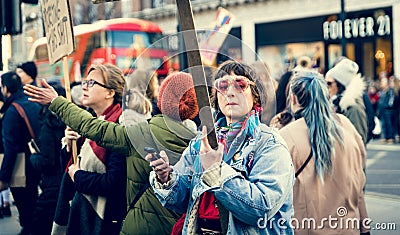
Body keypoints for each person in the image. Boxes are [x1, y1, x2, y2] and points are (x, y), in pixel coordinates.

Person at [23, 71, 200, 235]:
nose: (85, 86)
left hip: (140, 226)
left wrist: (57, 102)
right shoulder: (200, 142)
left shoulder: (140, 132)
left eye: (92, 82)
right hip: (181, 227)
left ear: (162, 100)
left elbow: (94, 129)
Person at [147, 60, 294, 234]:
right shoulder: (202, 142)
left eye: (240, 85)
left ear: (255, 95)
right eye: (222, 86)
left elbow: (261, 208)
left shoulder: (269, 144)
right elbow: (180, 200)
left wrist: (216, 171)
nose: (230, 92)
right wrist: (166, 177)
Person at [279, 71, 369, 235]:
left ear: (293, 98)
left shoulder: (286, 135)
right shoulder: (347, 126)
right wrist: (365, 227)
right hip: (349, 228)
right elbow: (360, 182)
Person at [50, 64, 127, 235]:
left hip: (105, 220)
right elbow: (68, 169)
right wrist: (71, 146)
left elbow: (114, 182)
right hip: (81, 210)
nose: (84, 86)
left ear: (110, 92)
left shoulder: (119, 126)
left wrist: (78, 176)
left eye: (92, 83)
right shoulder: (90, 122)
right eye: (85, 81)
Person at [0, 71, 41, 235]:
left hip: (21, 167)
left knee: (27, 210)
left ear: (6, 89)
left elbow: (10, 148)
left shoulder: (12, 111)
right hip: (35, 162)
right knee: (32, 203)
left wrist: (3, 178)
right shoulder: (30, 102)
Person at [29, 84, 67, 235]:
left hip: (52, 185)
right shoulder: (71, 121)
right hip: (67, 181)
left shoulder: (49, 125)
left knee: (40, 226)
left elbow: (47, 162)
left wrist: (33, 156)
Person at [325, 58, 368, 143]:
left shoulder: (353, 109)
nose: (327, 87)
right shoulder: (336, 104)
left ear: (340, 85)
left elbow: (358, 142)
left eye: (329, 83)